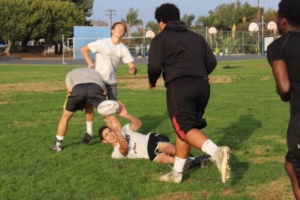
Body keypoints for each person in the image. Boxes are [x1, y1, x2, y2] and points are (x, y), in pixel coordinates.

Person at [147, 3, 231, 183]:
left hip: (180, 86)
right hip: (202, 85)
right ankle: (176, 173)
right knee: (184, 129)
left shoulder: (160, 39)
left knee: (184, 126)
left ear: (161, 22)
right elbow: (212, 62)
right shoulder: (196, 38)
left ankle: (216, 153)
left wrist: (152, 81)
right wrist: (198, 74)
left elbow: (154, 66)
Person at [98, 101, 209, 171]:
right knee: (165, 160)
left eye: (110, 131)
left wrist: (127, 115)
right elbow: (124, 147)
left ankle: (197, 156)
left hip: (151, 140)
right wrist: (116, 130)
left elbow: (138, 124)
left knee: (166, 149)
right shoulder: (115, 153)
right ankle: (197, 161)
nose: (111, 135)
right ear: (104, 141)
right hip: (149, 154)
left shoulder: (125, 129)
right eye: (107, 135)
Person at [80, 21, 137, 144]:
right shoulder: (102, 43)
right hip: (97, 81)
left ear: (123, 33)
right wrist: (90, 63)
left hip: (111, 83)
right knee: (89, 104)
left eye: (123, 29)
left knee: (111, 110)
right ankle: (89, 132)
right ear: (112, 30)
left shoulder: (123, 48)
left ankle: (119, 137)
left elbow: (130, 63)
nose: (120, 30)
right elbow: (84, 49)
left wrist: (132, 68)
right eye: (118, 28)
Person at [267, 0, 300, 198]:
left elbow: (284, 87)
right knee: (290, 164)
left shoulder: (279, 45)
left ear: (283, 20)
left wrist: (283, 95)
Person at [49, 68, 107, 152]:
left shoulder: (70, 74)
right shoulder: (95, 72)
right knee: (109, 115)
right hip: (95, 88)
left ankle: (58, 145)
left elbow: (70, 90)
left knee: (65, 117)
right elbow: (104, 89)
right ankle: (117, 139)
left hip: (78, 89)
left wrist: (80, 99)